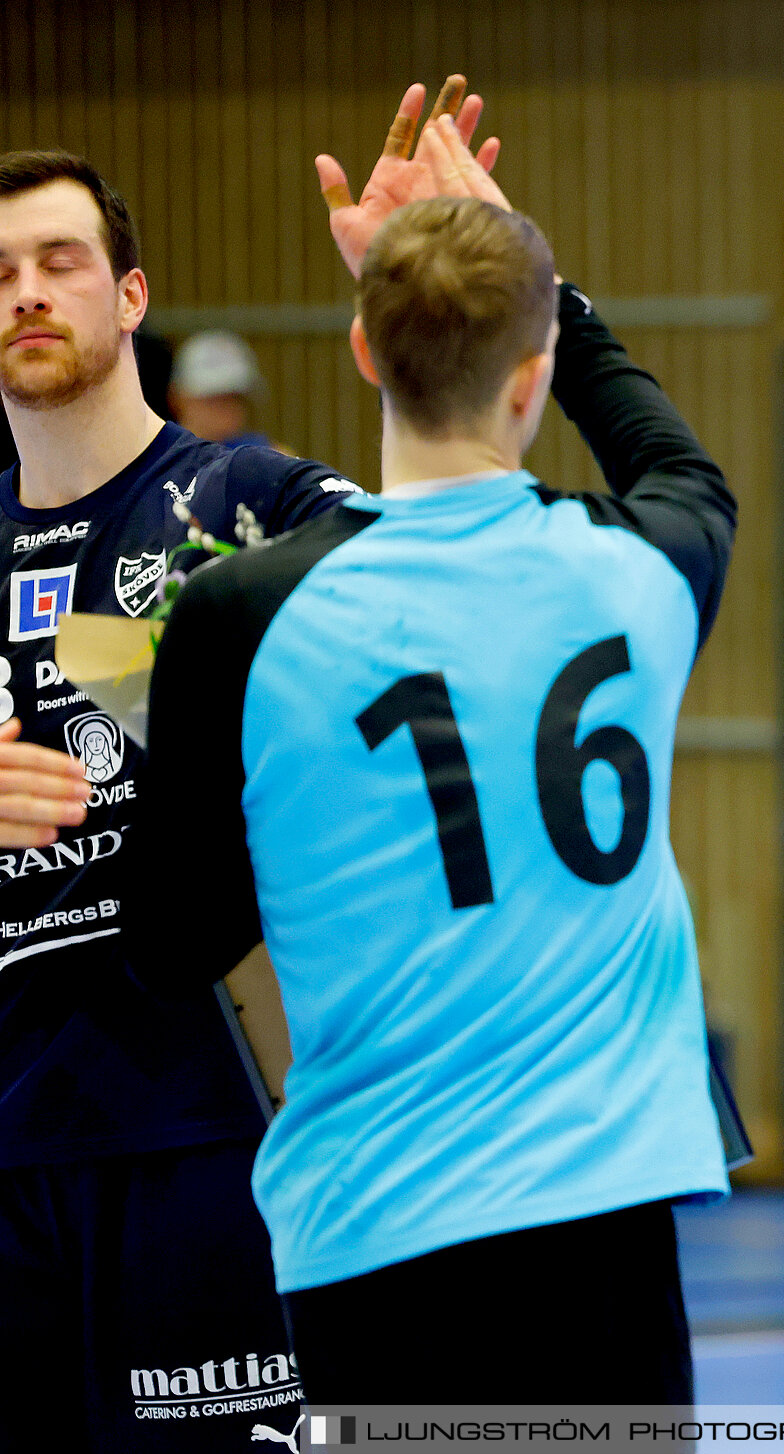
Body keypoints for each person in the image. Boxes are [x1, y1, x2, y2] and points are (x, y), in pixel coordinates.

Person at [129, 120, 735, 1403]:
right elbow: (674, 463)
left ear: (362, 351)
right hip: (603, 1204)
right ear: (535, 375)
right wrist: (545, 293)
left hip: (371, 1222)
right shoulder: (644, 566)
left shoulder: (242, 613)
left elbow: (177, 938)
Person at [0, 81, 520, 1449]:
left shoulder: (247, 499)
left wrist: (443, 300)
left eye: (58, 262)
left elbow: (454, 563)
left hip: (206, 1129)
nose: (27, 293)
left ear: (130, 296)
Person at [169, 329, 281, 450]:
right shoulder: (159, 455)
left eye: (236, 398)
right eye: (212, 400)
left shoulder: (262, 454)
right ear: (178, 399)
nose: (227, 411)